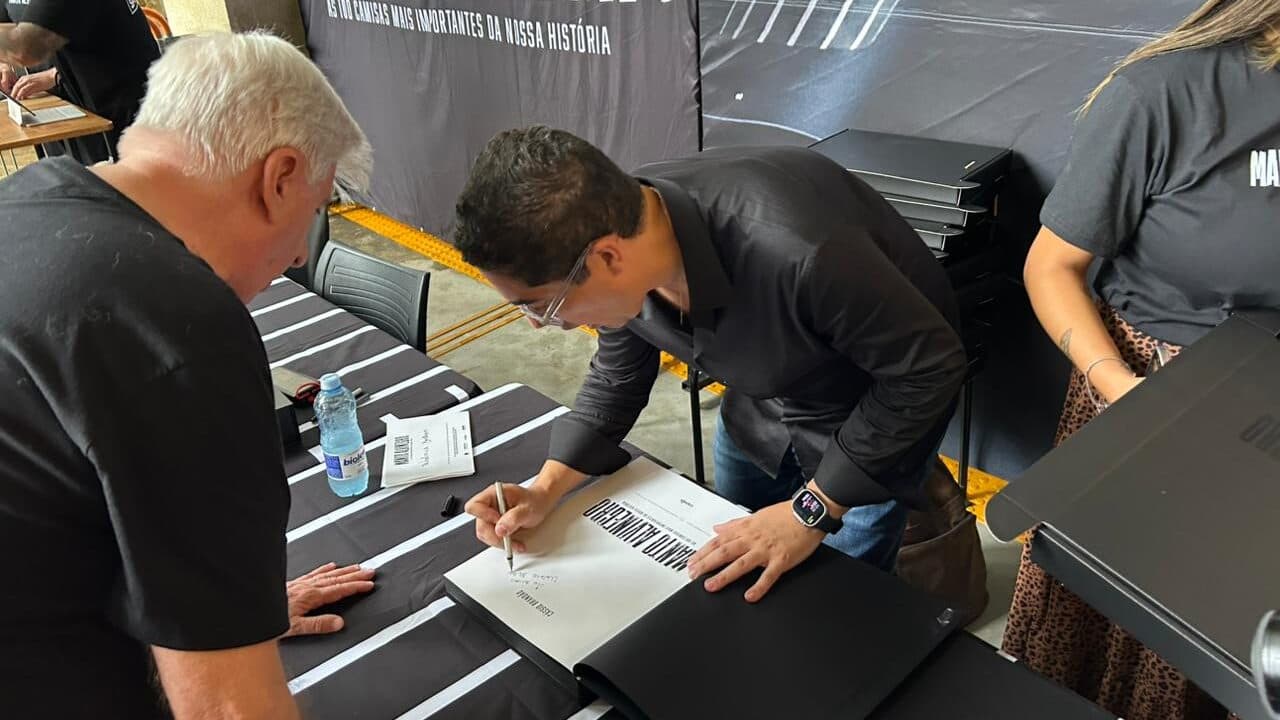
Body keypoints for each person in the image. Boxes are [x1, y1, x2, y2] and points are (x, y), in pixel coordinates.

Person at [0, 32, 376, 719]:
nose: (298, 255)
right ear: (280, 176)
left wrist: (224, 618)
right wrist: (226, 662)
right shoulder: (179, 325)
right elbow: (227, 710)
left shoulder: (28, 196)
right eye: (313, 212)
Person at [456, 127, 967, 602]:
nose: (537, 325)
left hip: (867, 423)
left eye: (540, 304)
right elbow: (619, 374)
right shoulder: (617, 229)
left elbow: (927, 370)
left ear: (607, 258)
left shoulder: (803, 252)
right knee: (735, 560)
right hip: (757, 402)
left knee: (832, 601)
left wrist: (813, 510)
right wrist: (544, 490)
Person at [1008, 1, 1280, 718]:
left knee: (1236, 642)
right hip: (1150, 397)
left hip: (1267, 419)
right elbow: (1051, 269)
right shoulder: (1165, 92)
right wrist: (1120, 390)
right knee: (1120, 638)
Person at [0, 0, 160, 162]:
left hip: (122, 102)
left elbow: (26, 47)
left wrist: (53, 75)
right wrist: (3, 64)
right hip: (68, 103)